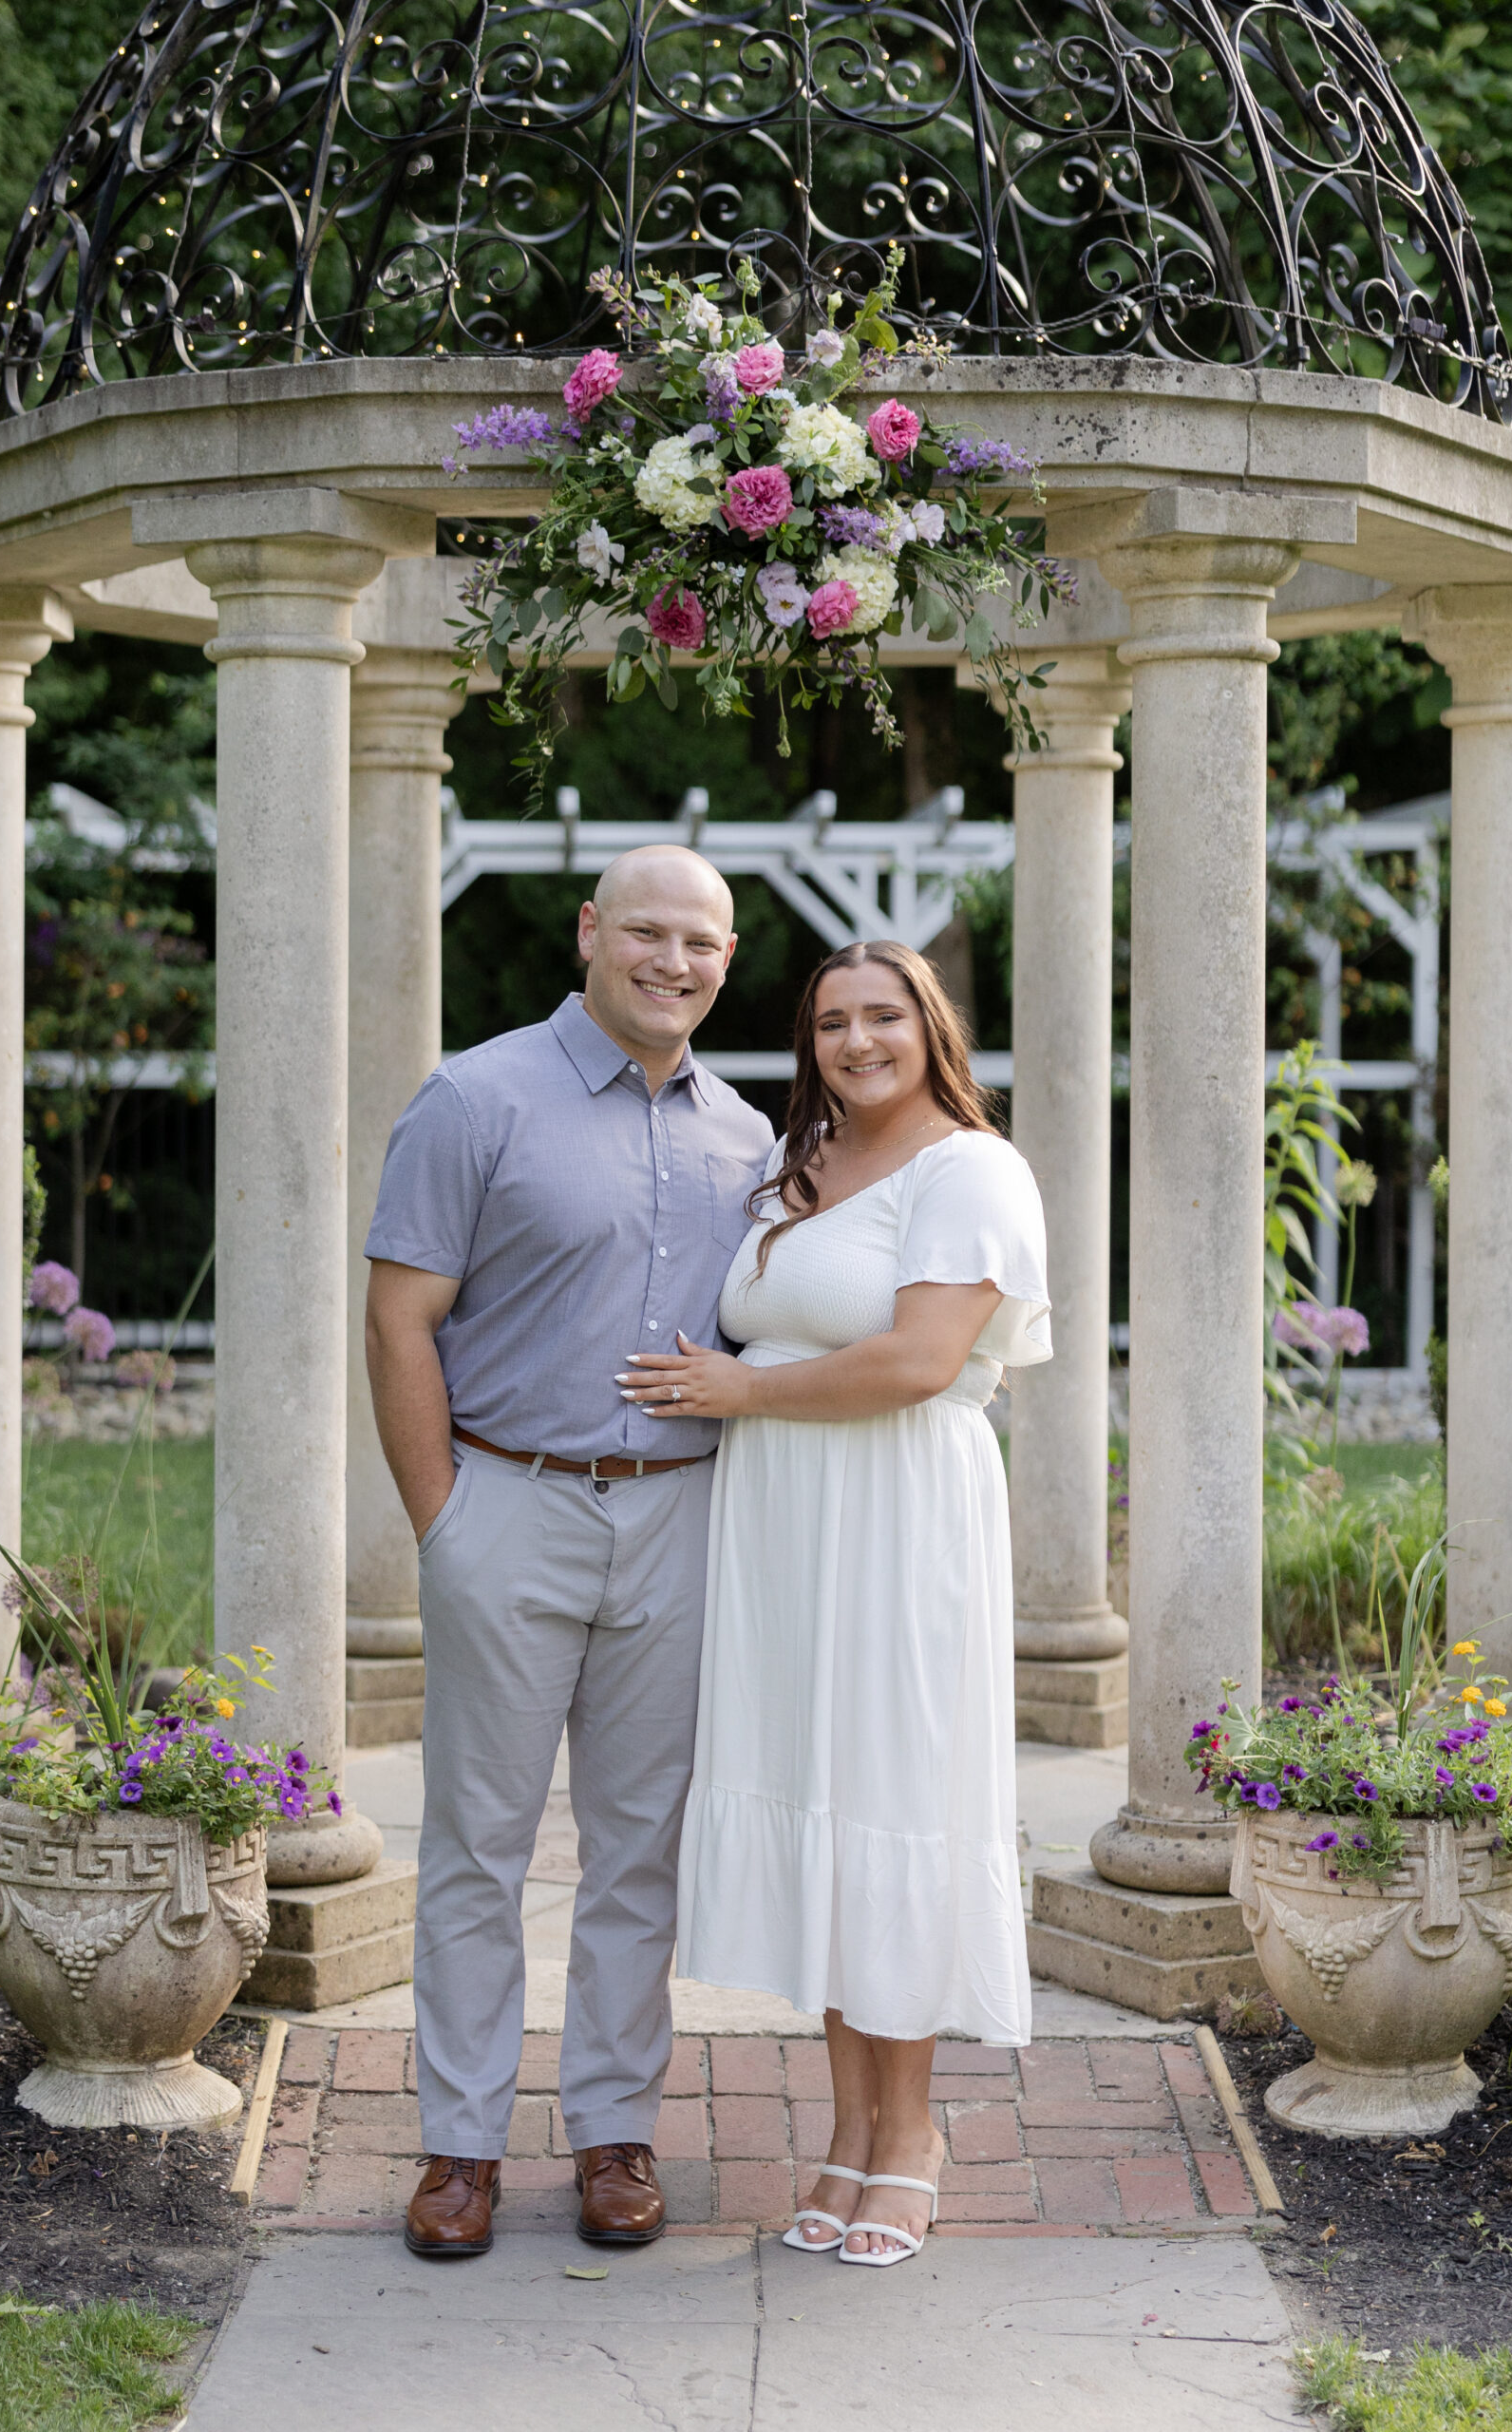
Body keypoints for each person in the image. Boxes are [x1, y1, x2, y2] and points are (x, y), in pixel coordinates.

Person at [364, 846, 772, 2259]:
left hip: (679, 1519)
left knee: (638, 1849)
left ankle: (614, 2133)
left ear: (727, 961)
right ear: (591, 932)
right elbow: (400, 1316)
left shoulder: (751, 1139)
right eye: (648, 931)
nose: (674, 961)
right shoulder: (475, 1097)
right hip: (509, 1504)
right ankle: (461, 2147)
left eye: (702, 942)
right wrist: (446, 1516)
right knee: (477, 1846)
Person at [620, 939, 1050, 2270]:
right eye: (830, 1023)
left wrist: (742, 1391)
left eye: (882, 1018)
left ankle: (912, 2138)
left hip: (899, 1516)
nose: (857, 1042)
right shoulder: (796, 1171)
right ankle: (849, 2132)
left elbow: (922, 1359)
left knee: (893, 1807)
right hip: (786, 1529)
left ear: (931, 1028)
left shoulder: (971, 1170)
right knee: (823, 1815)